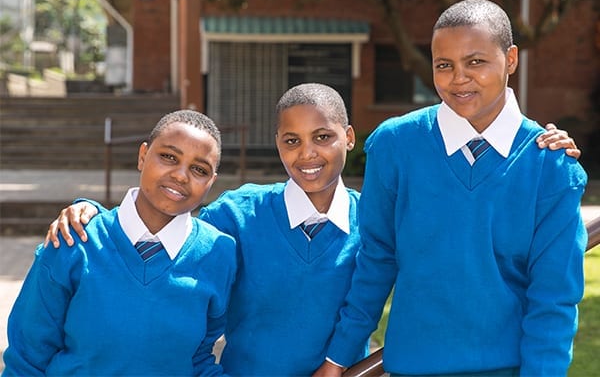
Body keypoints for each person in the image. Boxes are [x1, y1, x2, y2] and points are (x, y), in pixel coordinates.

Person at [44, 85, 580, 376]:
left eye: (322, 137)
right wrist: (91, 209)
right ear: (277, 145)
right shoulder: (239, 213)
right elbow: (162, 225)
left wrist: (542, 142)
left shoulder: (376, 221)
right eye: (291, 141)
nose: (308, 155)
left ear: (349, 137)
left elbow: (457, 230)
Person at [314, 0, 587, 376]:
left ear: (510, 59)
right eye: (444, 65)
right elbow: (376, 258)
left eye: (475, 61)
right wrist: (339, 357)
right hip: (412, 367)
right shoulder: (395, 146)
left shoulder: (552, 167)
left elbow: (554, 299)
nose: (459, 77)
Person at [3, 110, 236, 376]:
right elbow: (27, 359)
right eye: (169, 157)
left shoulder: (219, 253)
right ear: (142, 156)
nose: (181, 175)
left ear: (211, 182)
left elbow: (198, 361)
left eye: (199, 169)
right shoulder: (74, 240)